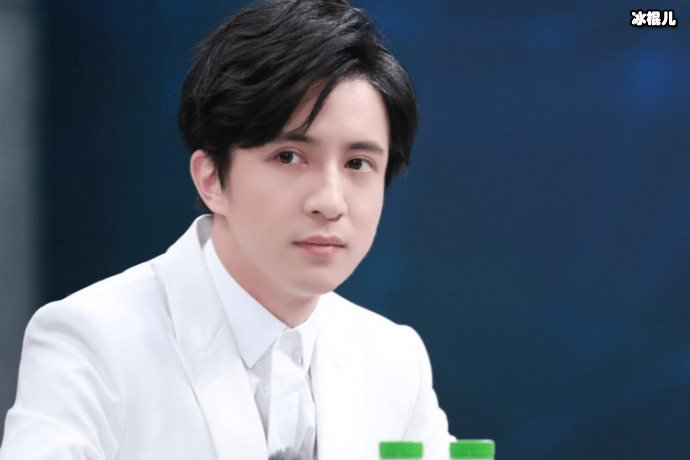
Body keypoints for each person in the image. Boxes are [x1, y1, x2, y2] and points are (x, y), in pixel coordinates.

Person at [0, 0, 453, 459]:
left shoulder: (394, 360)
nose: (330, 202)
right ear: (211, 178)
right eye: (289, 157)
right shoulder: (93, 339)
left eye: (358, 163)